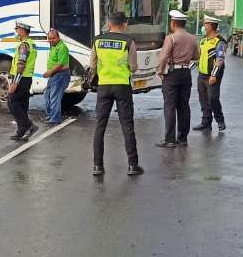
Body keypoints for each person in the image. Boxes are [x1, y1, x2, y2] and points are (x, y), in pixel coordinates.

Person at [90, 12, 144, 176]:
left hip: (104, 86)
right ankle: (132, 166)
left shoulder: (97, 40)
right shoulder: (128, 42)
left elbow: (92, 65)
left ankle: (98, 166)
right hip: (122, 86)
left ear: (109, 23)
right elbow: (133, 67)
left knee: (100, 126)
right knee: (127, 125)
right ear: (124, 24)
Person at [155, 10, 200, 148]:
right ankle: (182, 138)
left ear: (173, 23)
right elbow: (197, 56)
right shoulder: (193, 38)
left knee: (170, 106)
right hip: (186, 73)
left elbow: (163, 57)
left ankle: (169, 139)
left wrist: (160, 71)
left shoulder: (171, 38)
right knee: (183, 106)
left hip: (172, 74)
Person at [194, 15, 227, 132]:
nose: (203, 26)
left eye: (205, 24)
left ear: (211, 27)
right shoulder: (203, 40)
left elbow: (220, 60)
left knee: (213, 98)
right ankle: (206, 122)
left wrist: (214, 75)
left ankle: (220, 119)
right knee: (203, 99)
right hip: (202, 74)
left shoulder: (219, 42)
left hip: (212, 75)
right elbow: (198, 57)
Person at [8, 21, 39, 140]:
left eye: (17, 29)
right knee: (22, 104)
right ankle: (21, 131)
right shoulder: (31, 43)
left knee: (12, 102)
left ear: (22, 30)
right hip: (27, 79)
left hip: (21, 79)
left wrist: (15, 82)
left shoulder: (24, 45)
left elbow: (21, 64)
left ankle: (29, 126)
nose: (16, 31)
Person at [42, 29, 71, 124]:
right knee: (47, 95)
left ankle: (55, 118)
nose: (51, 40)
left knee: (54, 97)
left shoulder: (62, 47)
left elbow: (61, 64)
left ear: (58, 37)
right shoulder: (53, 46)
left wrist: (50, 72)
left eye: (53, 38)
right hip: (54, 75)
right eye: (49, 38)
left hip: (60, 75)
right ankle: (51, 115)